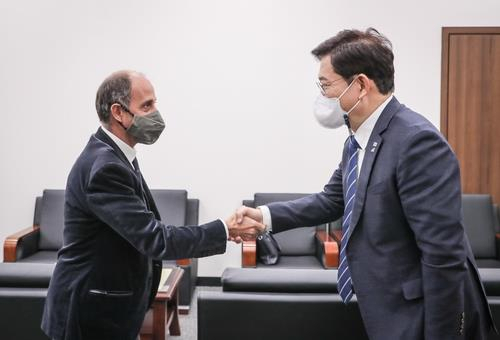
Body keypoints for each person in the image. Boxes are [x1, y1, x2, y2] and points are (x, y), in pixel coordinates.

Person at [236, 28, 495, 339]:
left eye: (326, 85)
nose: (322, 95)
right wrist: (263, 217)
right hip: (386, 306)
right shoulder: (359, 138)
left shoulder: (417, 141)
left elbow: (443, 255)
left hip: (420, 313)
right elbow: (332, 200)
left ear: (360, 85)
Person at [41, 70, 263, 340]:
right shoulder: (105, 167)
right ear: (118, 112)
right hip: (89, 311)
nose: (156, 114)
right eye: (146, 106)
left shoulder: (116, 155)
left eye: (155, 103)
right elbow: (156, 239)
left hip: (106, 303)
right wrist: (225, 229)